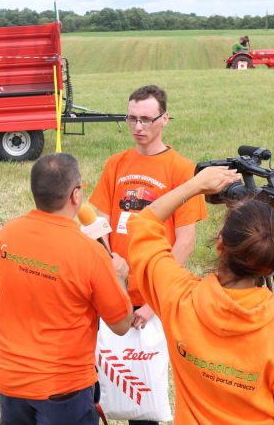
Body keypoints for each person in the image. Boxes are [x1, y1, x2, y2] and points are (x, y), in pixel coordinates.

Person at [126, 166, 274, 424]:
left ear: (220, 245)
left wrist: (194, 186)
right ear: (271, 265)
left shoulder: (178, 297)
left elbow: (143, 223)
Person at [0, 152, 133, 425]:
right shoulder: (89, 253)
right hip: (63, 389)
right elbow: (122, 324)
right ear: (75, 195)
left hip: (9, 379)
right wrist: (120, 276)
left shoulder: (7, 234)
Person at [89, 85, 206, 425]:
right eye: (131, 119)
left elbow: (184, 241)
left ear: (164, 119)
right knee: (101, 382)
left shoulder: (182, 170)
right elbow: (100, 221)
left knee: (143, 391)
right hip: (112, 290)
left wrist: (154, 301)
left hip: (150, 297)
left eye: (146, 119)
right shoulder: (117, 164)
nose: (138, 127)